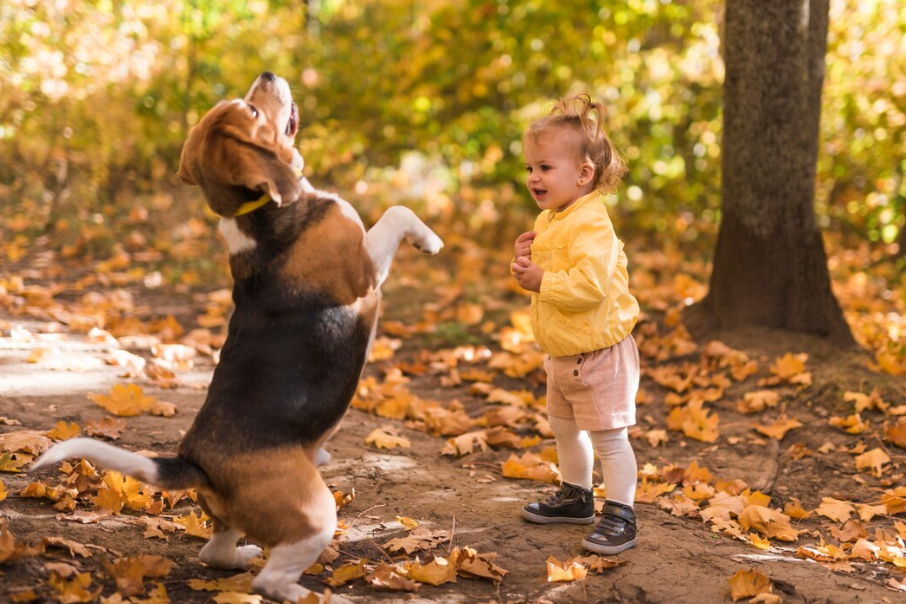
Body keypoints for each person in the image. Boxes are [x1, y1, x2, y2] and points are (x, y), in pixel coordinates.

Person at [511, 92, 641, 555]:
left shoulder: (593, 223)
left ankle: (621, 513)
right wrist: (525, 267)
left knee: (610, 437)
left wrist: (541, 278)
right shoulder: (551, 218)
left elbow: (589, 286)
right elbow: (548, 280)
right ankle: (576, 496)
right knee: (564, 427)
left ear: (584, 174)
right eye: (530, 168)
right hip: (564, 353)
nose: (533, 177)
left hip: (601, 354)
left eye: (545, 168)